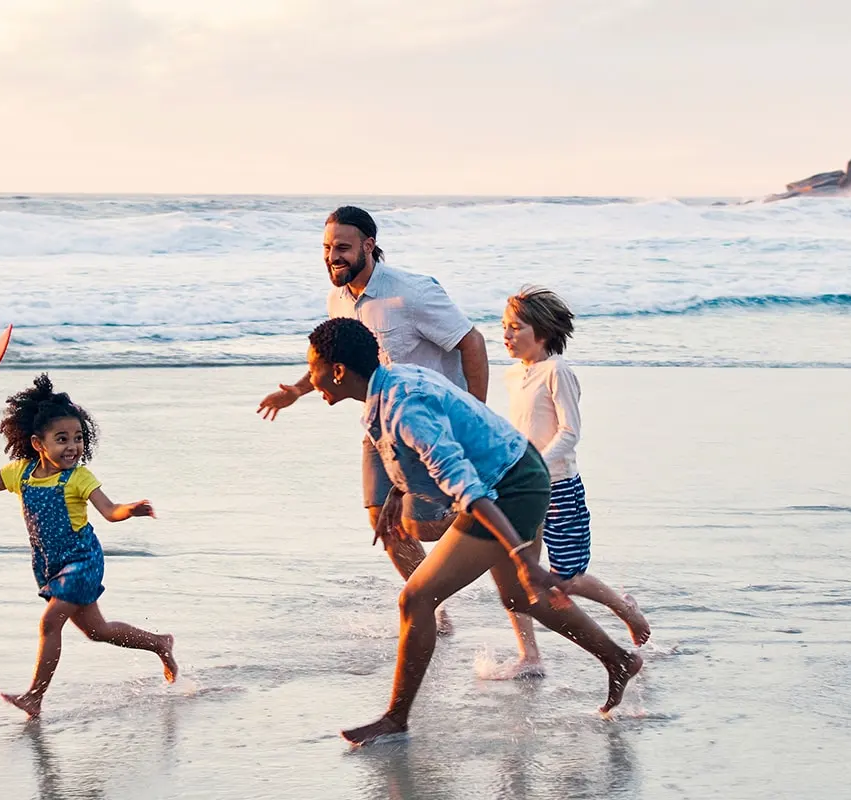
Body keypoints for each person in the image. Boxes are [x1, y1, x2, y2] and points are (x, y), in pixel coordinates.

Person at [298, 318, 641, 745]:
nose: (309, 377)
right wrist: (395, 495)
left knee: (416, 597)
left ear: (337, 371)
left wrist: (517, 553)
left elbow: (468, 486)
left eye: (312, 367)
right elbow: (419, 452)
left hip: (509, 486)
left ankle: (396, 718)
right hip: (517, 471)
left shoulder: (404, 407)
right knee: (519, 598)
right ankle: (618, 660)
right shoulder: (387, 389)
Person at [259, 206, 491, 631]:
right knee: (381, 520)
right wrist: (298, 389)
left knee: (423, 526)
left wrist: (476, 411)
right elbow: (339, 358)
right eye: (327, 248)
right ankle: (432, 609)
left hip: (432, 423)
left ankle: (491, 514)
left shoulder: (411, 292)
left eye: (343, 247)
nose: (333, 256)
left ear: (369, 245)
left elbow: (471, 342)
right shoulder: (338, 298)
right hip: (380, 424)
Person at [0, 375, 176, 718]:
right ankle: (160, 642)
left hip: (82, 560)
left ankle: (35, 697)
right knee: (97, 631)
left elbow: (108, 510)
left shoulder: (79, 477)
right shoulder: (20, 474)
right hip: (51, 565)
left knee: (49, 623)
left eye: (78, 438)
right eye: (62, 439)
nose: (72, 446)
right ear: (37, 443)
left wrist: (129, 511)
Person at [493, 287, 651, 680]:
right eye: (504, 327)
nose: (507, 335)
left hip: (557, 484)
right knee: (517, 574)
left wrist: (533, 468)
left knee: (566, 577)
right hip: (521, 488)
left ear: (542, 333)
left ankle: (624, 608)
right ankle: (530, 656)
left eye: (516, 327)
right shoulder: (515, 375)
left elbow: (569, 433)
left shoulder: (557, 372)